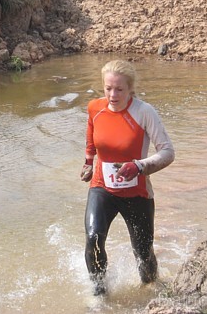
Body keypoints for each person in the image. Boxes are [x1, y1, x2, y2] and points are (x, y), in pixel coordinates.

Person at [80, 59, 175, 296]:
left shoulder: (144, 112)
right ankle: (100, 295)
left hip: (137, 192)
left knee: (143, 253)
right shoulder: (94, 108)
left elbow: (168, 152)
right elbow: (92, 138)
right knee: (93, 238)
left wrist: (139, 166)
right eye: (108, 88)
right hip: (102, 188)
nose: (113, 95)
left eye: (119, 89)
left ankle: (151, 290)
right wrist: (88, 162)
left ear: (130, 88)